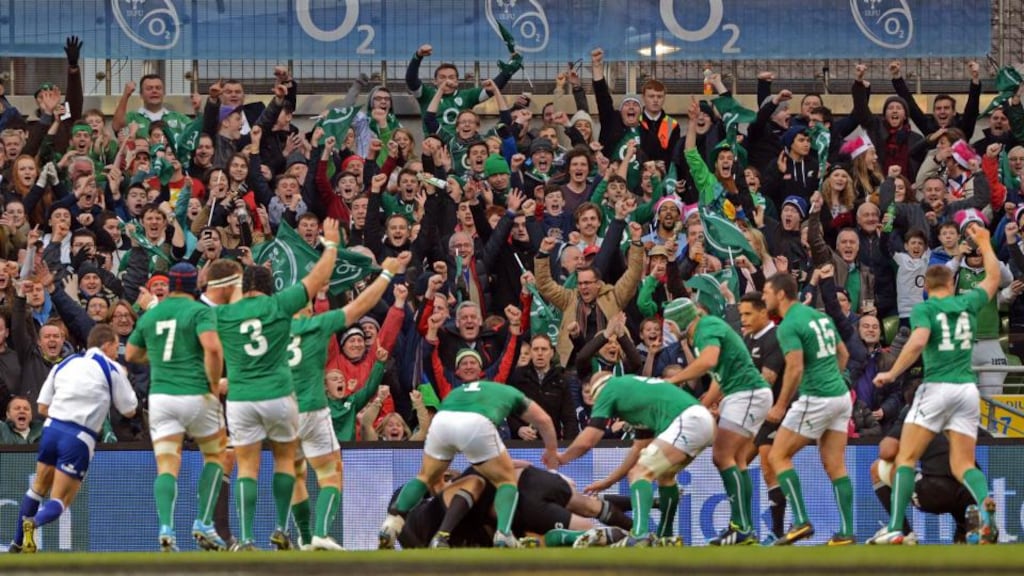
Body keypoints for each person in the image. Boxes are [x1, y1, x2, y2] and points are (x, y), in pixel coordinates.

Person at [203, 218, 342, 551]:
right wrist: (332, 245)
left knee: (247, 468)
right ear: (269, 286)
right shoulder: (280, 306)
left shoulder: (224, 315)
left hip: (240, 399)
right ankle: (281, 527)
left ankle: (247, 537)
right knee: (287, 464)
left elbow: (204, 335)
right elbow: (317, 278)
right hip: (280, 396)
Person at [867, 222, 1001, 545]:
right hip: (967, 390)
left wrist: (893, 372)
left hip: (937, 386)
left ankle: (897, 528)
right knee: (963, 463)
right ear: (952, 284)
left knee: (906, 458)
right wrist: (984, 243)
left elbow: (917, 342)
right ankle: (986, 519)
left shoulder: (925, 308)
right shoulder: (968, 303)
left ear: (927, 287)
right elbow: (994, 278)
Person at [286, 252, 410, 551]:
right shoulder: (316, 328)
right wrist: (386, 273)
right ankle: (318, 533)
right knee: (331, 473)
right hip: (312, 409)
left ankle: (300, 536)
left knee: (295, 475)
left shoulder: (273, 329)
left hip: (281, 412)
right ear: (308, 308)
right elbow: (359, 307)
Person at [378, 380, 559, 549]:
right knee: (506, 480)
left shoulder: (458, 391)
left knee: (425, 477)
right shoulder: (511, 393)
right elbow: (544, 420)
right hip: (476, 422)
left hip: (442, 421)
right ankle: (504, 533)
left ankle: (392, 522)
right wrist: (551, 452)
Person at [124, 262, 228, 551]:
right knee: (216, 455)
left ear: (169, 285)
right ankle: (204, 522)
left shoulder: (153, 314)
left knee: (167, 464)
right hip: (195, 393)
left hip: (161, 398)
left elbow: (132, 353)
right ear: (195, 284)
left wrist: (158, 359)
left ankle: (166, 528)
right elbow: (213, 346)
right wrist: (212, 381)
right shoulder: (199, 311)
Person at [10, 324, 138, 554]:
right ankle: (34, 522)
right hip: (78, 437)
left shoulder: (65, 362)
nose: (116, 351)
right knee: (61, 499)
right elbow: (130, 409)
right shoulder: (112, 368)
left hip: (51, 429)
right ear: (108, 345)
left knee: (38, 487)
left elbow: (41, 406)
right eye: (115, 346)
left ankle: (16, 543)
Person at [558, 373, 715, 547]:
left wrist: (563, 457)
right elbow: (638, 448)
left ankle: (639, 534)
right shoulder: (635, 397)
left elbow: (590, 438)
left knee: (640, 473)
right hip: (702, 420)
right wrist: (608, 481)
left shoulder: (609, 388)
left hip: (687, 420)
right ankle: (666, 536)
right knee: (666, 477)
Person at [665, 298, 772, 546]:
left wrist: (673, 380)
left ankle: (741, 526)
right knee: (738, 460)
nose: (669, 330)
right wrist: (701, 407)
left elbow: (708, 362)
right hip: (745, 392)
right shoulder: (707, 329)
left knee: (722, 455)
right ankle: (743, 528)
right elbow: (719, 377)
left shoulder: (706, 328)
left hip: (746, 392)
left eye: (670, 324)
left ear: (680, 320)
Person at [763, 272, 854, 546]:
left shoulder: (789, 324)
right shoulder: (821, 317)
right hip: (840, 397)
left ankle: (801, 521)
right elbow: (844, 354)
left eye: (767, 291)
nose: (764, 296)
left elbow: (795, 366)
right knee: (835, 465)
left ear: (781, 294)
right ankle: (846, 532)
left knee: (777, 456)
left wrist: (779, 406)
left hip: (816, 397)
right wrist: (834, 380)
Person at [737, 292, 789, 545]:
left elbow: (766, 380)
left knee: (770, 468)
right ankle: (741, 528)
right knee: (736, 465)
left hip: (776, 412)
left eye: (747, 314)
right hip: (755, 414)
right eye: (740, 315)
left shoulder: (776, 337)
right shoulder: (749, 339)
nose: (743, 320)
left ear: (762, 312)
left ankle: (778, 532)